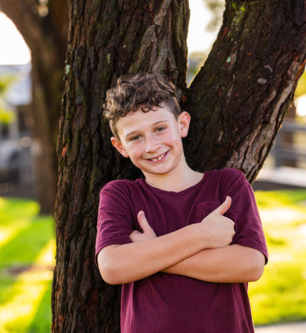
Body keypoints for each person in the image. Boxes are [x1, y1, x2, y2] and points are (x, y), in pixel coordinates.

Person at [95, 72, 268, 333]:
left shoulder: (227, 185)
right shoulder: (120, 195)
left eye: (160, 129)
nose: (152, 145)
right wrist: (201, 235)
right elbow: (113, 267)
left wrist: (151, 252)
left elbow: (251, 264)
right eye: (135, 137)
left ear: (182, 125)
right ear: (121, 147)